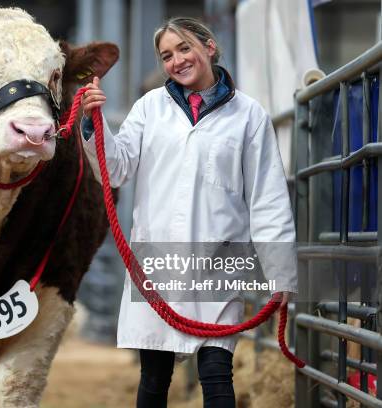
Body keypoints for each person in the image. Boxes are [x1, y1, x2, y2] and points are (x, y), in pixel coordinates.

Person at [80, 17, 297, 408]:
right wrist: (91, 124)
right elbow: (116, 167)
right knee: (154, 376)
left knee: (217, 375)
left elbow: (268, 198)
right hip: (158, 265)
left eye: (183, 49)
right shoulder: (149, 108)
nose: (176, 61)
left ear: (209, 47)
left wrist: (280, 272)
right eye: (166, 55)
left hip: (220, 263)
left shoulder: (250, 116)